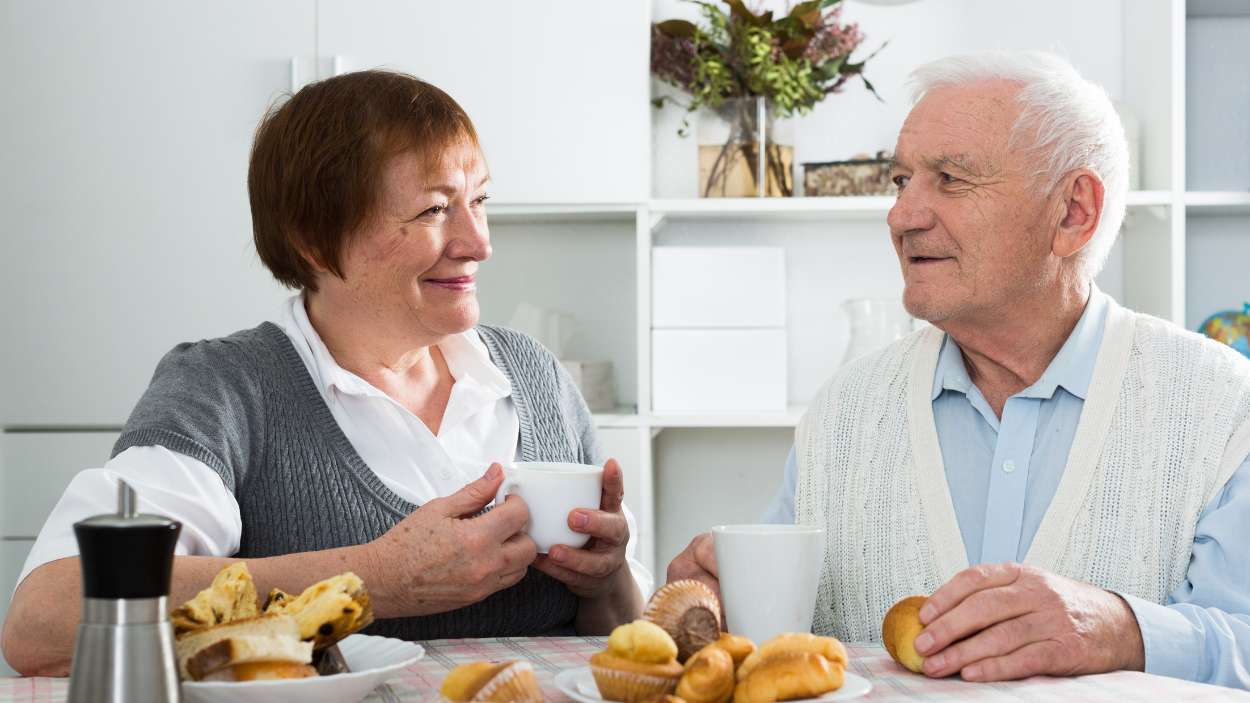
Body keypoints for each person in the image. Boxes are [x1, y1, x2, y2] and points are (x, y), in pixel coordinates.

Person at [2, 70, 646, 676]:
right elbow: (45, 620)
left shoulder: (535, 378)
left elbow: (618, 634)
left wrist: (607, 578)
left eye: (479, 200)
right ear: (313, 238)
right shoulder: (226, 391)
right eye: (433, 210)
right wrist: (376, 577)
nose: (479, 242)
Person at [668, 51, 1250, 689]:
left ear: (1073, 212)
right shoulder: (845, 411)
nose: (902, 216)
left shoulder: (1224, 407)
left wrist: (1120, 630)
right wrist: (718, 605)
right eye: (901, 180)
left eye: (950, 178)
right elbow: (776, 637)